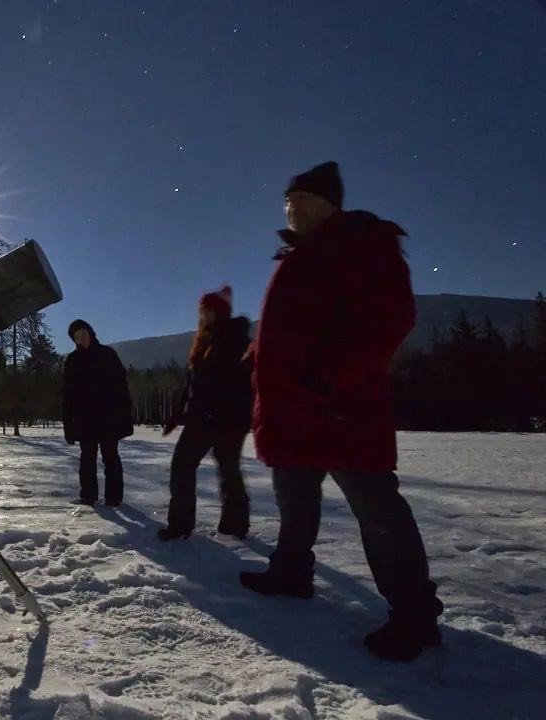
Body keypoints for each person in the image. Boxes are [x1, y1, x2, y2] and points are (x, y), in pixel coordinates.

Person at [239, 161, 443, 661]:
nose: (293, 208)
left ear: (331, 204)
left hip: (341, 410)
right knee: (294, 499)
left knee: (377, 511)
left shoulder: (362, 241)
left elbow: (392, 315)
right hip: (292, 413)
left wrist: (329, 379)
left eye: (305, 200)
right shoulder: (295, 256)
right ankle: (291, 573)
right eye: (289, 201)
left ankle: (415, 615)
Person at [157, 286, 252, 541]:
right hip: (201, 417)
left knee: (228, 469)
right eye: (202, 310)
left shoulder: (235, 337)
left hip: (228, 419)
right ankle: (180, 525)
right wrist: (177, 414)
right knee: (182, 466)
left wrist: (224, 412)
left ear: (220, 312)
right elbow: (192, 384)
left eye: (209, 310)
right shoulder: (203, 340)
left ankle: (236, 523)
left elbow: (239, 382)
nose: (204, 315)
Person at [61, 319, 133, 506]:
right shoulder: (72, 360)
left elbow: (122, 388)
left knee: (111, 458)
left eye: (83, 334)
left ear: (91, 334)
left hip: (109, 417)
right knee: (87, 459)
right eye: (77, 337)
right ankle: (88, 496)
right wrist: (68, 424)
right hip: (84, 420)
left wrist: (125, 417)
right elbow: (67, 395)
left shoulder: (108, 354)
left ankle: (114, 497)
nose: (81, 339)